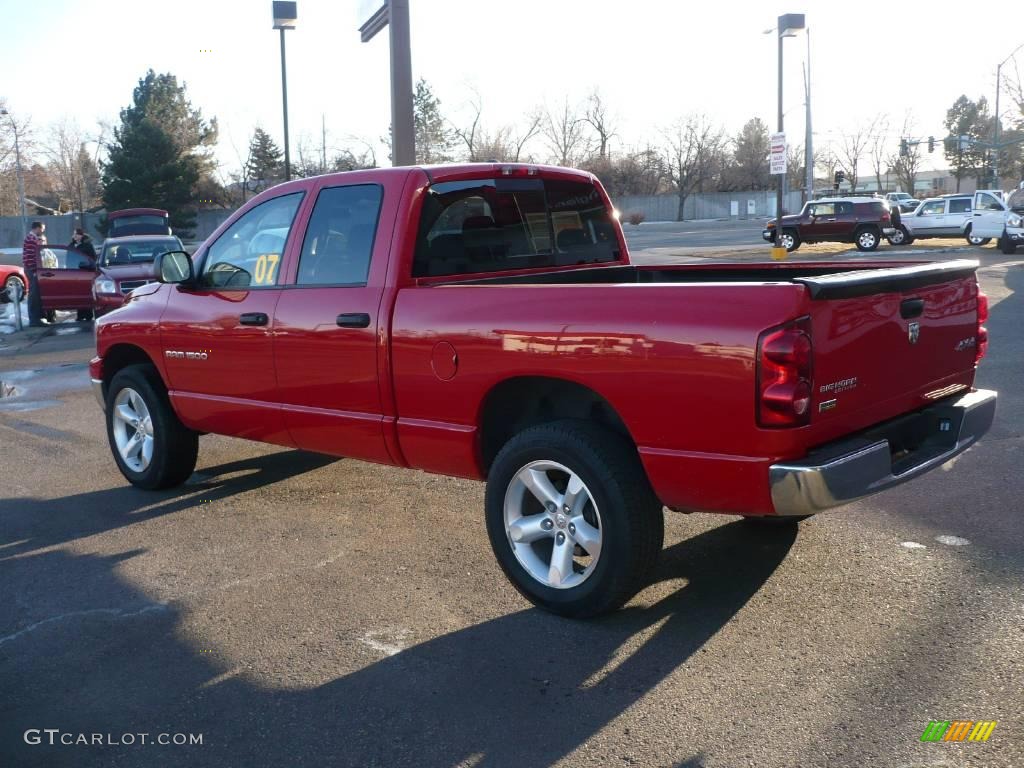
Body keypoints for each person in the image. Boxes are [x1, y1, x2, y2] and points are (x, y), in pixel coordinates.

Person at [21, 221, 45, 327]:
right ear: (37, 228)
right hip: (32, 269)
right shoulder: (31, 239)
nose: (43, 231)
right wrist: (35, 271)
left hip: (32, 269)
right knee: (33, 295)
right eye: (42, 229)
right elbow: (31, 256)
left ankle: (37, 317)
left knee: (35, 294)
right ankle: (34, 319)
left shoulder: (32, 238)